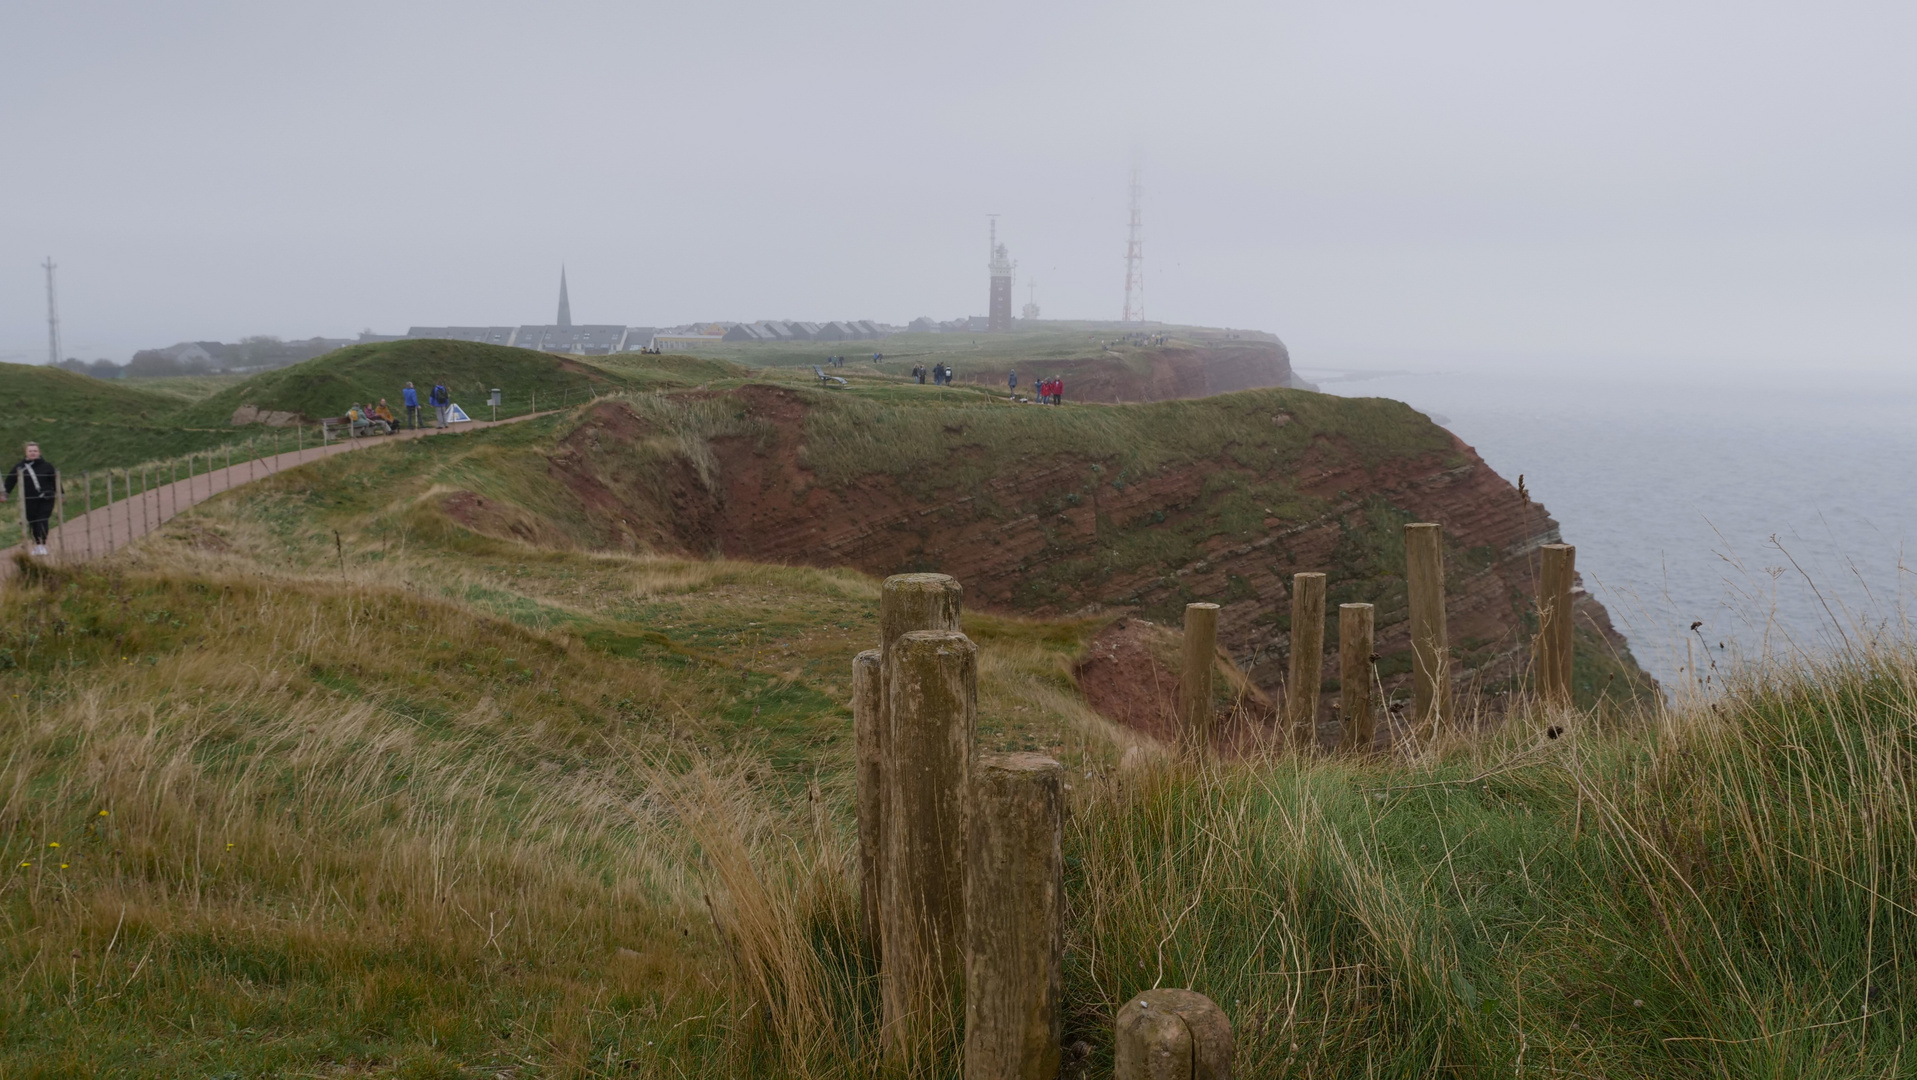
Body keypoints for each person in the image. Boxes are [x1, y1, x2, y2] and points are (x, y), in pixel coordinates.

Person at [2, 443, 58, 556]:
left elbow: (55, 480)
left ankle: (41, 544)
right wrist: (5, 494)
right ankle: (37, 545)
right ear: (26, 453)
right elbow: (10, 480)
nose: (33, 453)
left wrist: (61, 494)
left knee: (42, 520)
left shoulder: (47, 466)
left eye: (35, 451)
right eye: (30, 451)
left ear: (39, 452)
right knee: (32, 521)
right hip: (28, 500)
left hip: (46, 499)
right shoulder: (20, 467)